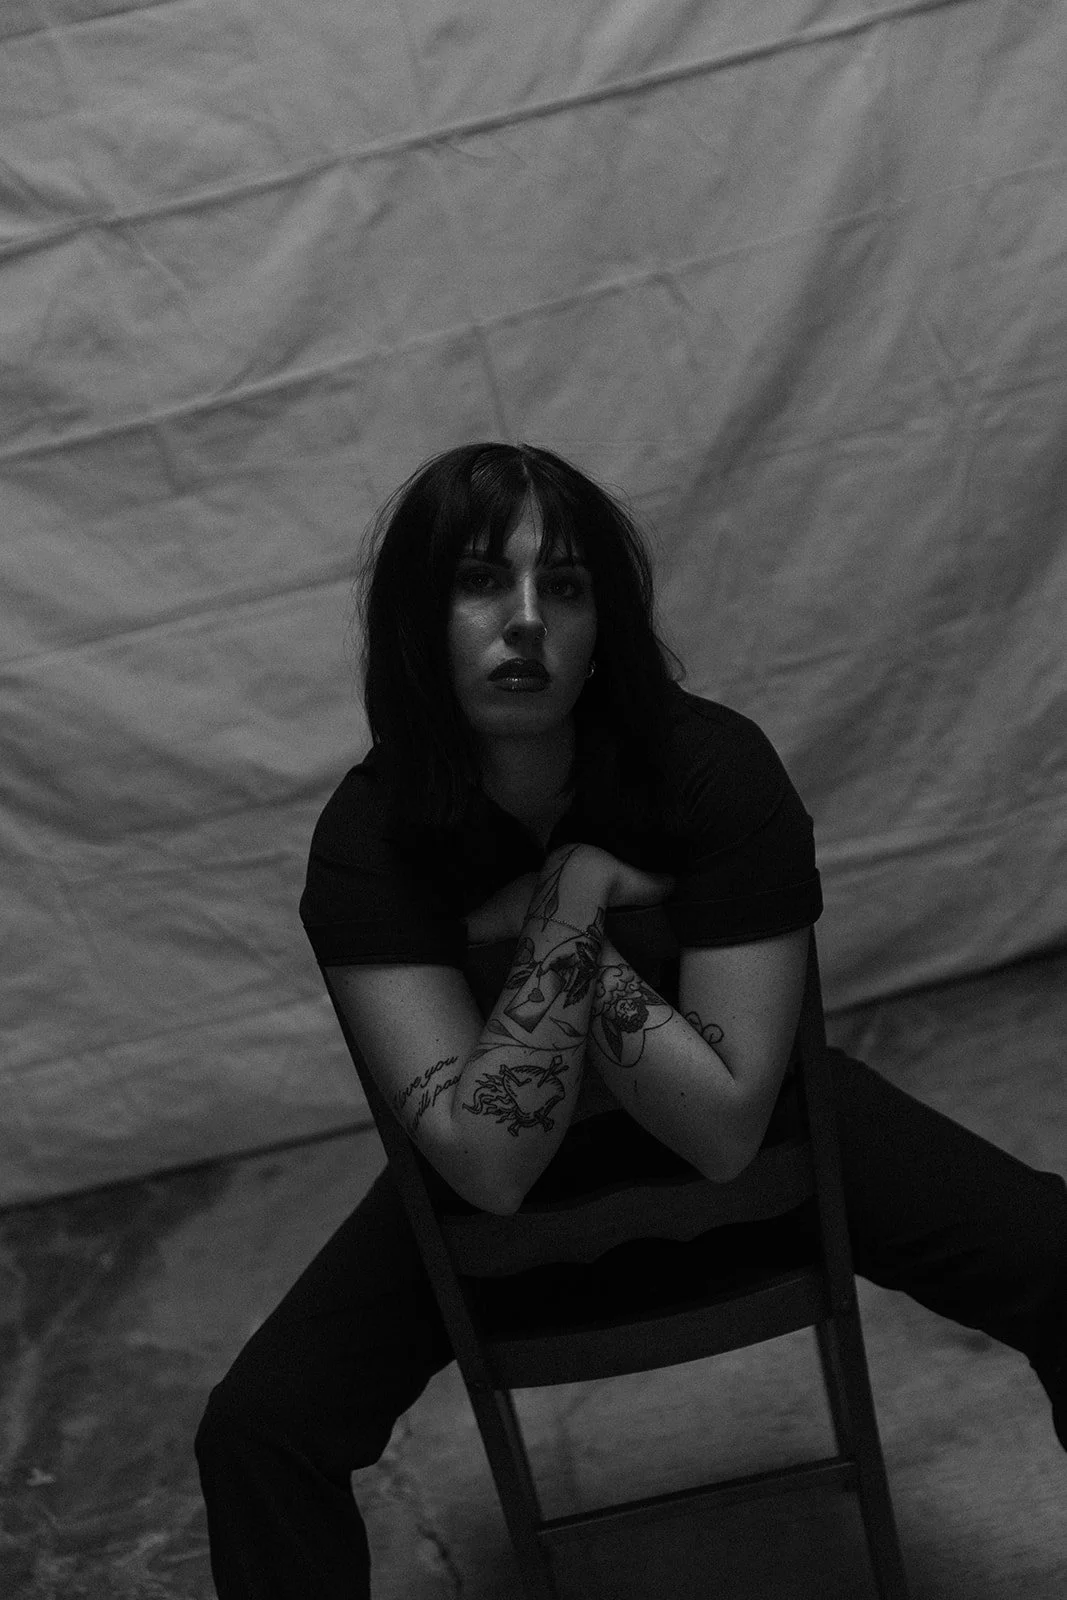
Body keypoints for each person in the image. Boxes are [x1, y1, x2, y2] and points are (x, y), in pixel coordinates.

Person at [195, 441, 1067, 1598]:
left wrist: (555, 907)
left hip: (765, 1165)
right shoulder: (367, 845)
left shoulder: (710, 770)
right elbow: (489, 1171)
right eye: (476, 583)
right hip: (505, 1223)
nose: (521, 622)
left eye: (561, 585)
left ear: (602, 619)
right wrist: (575, 902)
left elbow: (721, 1131)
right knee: (257, 1432)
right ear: (415, 617)